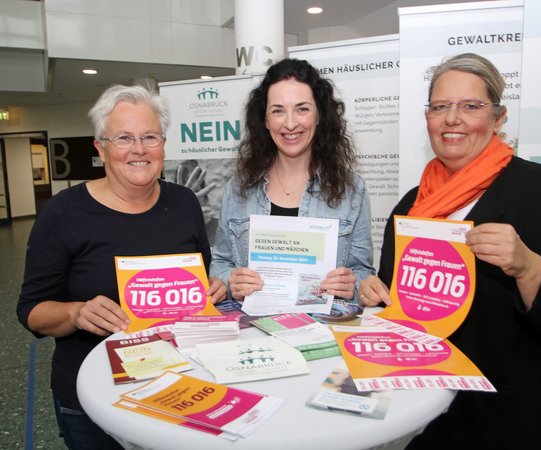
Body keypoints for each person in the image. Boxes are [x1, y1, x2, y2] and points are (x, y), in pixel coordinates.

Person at [359, 53, 541, 449]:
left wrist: (529, 268)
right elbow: (395, 304)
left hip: (506, 422)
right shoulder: (410, 205)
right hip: (423, 417)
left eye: (470, 106)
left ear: (498, 118)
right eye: (440, 107)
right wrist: (376, 297)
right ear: (428, 118)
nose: (452, 118)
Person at [16, 84, 226, 450]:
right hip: (94, 396)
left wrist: (212, 289)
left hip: (181, 385)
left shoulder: (185, 203)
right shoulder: (63, 213)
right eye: (124, 138)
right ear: (100, 147)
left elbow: (199, 279)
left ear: (163, 143)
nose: (139, 149)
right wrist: (77, 312)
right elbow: (31, 311)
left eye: (149, 136)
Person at [210, 58, 375, 303]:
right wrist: (230, 281)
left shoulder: (351, 190)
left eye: (302, 109)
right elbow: (221, 263)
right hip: (252, 333)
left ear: (319, 115)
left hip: (323, 333)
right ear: (265, 121)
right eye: (278, 110)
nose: (290, 123)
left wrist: (354, 284)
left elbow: (363, 274)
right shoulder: (238, 188)